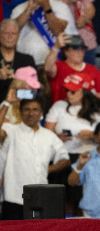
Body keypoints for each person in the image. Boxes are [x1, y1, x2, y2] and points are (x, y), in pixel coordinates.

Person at [45, 72, 100, 215]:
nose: (69, 94)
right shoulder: (59, 106)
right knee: (65, 203)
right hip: (64, 158)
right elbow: (44, 135)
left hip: (90, 158)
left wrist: (94, 136)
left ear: (85, 91)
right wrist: (56, 137)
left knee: (86, 202)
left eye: (73, 91)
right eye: (67, 90)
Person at [0, 83, 70, 220]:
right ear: (20, 112)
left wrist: (47, 168)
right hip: (14, 198)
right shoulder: (11, 130)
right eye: (26, 109)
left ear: (41, 113)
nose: (31, 113)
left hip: (41, 198)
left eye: (35, 109)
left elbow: (65, 159)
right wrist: (7, 102)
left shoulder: (49, 136)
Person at [10, 0, 78, 66]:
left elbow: (57, 30)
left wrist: (46, 6)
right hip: (25, 64)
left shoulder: (61, 7)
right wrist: (30, 8)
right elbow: (12, 30)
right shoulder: (18, 9)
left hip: (52, 64)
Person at [45, 33, 100, 105]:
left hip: (86, 111)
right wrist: (56, 47)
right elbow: (47, 68)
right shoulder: (59, 66)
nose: (80, 53)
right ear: (66, 51)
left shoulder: (93, 70)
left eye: (82, 49)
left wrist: (90, 109)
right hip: (62, 110)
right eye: (75, 49)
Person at [49, 0, 97, 65]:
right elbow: (45, 11)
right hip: (58, 41)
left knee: (88, 76)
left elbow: (90, 8)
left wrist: (85, 19)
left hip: (84, 40)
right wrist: (64, 2)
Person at [0, 19, 36, 103]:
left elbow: (33, 93)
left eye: (13, 33)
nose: (10, 36)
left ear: (18, 37)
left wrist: (19, 82)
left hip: (19, 107)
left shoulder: (27, 60)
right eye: (6, 33)